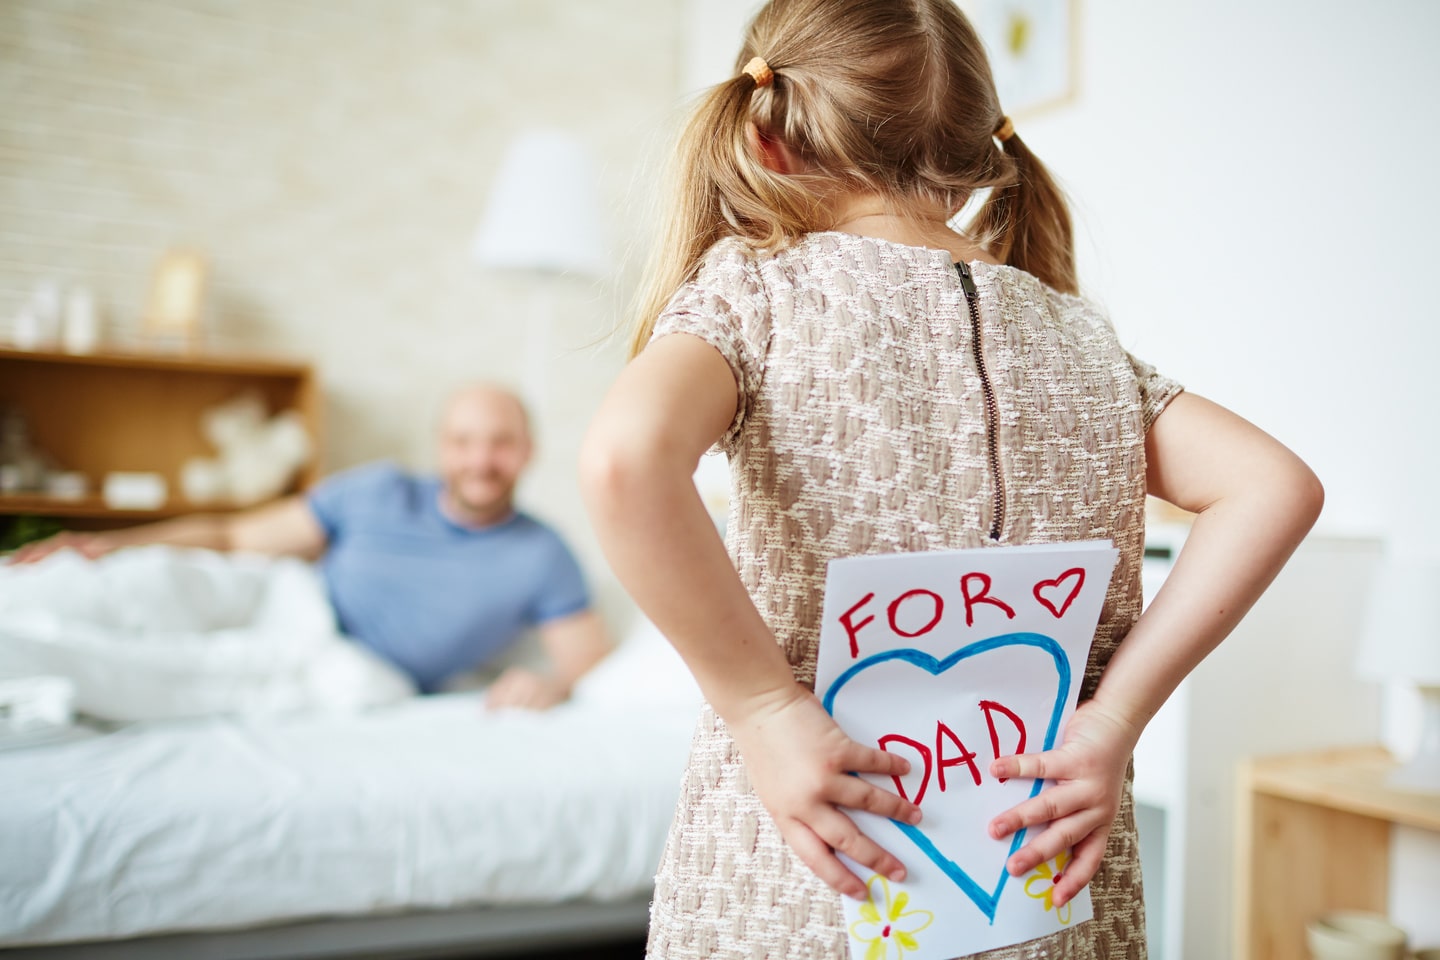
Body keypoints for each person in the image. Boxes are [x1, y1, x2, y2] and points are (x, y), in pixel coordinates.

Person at [578, 1, 1324, 957]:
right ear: (981, 153)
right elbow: (1276, 487)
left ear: (767, 137)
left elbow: (622, 460)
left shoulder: (758, 294)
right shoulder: (1079, 337)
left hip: (826, 870)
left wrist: (765, 710)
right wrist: (1115, 720)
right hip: (1039, 876)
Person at [15, 384, 611, 709]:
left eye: (501, 444)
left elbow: (588, 654)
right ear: (441, 446)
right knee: (123, 587)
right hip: (279, 598)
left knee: (155, 670)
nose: (481, 461)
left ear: (529, 450)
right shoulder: (379, 488)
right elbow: (233, 538)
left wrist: (551, 684)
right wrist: (105, 545)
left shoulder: (542, 554)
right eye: (464, 441)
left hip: (341, 667)